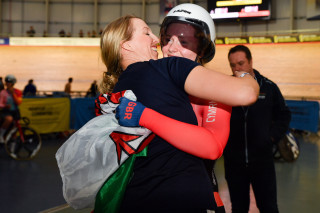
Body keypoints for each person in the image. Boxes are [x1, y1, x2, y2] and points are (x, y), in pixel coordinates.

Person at [95, 14, 259, 212]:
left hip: (189, 194)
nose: (171, 48)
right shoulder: (154, 77)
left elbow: (212, 147)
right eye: (167, 40)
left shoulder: (212, 94)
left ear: (202, 50)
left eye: (184, 42)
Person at [223, 45, 291, 213]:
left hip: (262, 162)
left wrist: (271, 138)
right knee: (239, 208)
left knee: (268, 207)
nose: (237, 68)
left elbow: (283, 115)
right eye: (233, 65)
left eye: (241, 63)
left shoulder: (268, 87)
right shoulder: (224, 88)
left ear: (250, 62)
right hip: (234, 163)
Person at [0, 75, 23, 143]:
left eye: (9, 82)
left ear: (12, 83)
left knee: (14, 130)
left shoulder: (17, 91)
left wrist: (13, 94)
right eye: (6, 82)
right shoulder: (3, 92)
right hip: (6, 112)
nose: (7, 83)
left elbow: (18, 102)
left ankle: (12, 149)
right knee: (9, 119)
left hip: (15, 112)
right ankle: (1, 135)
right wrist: (5, 106)